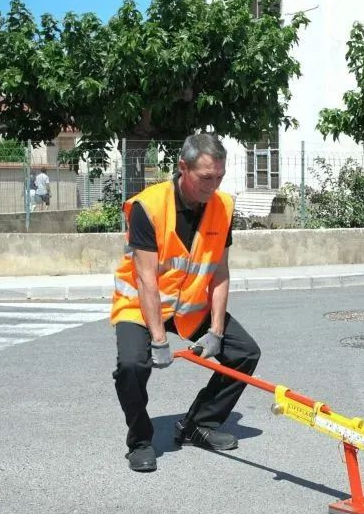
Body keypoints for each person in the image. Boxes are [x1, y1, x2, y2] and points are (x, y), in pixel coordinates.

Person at [111, 133, 261, 472]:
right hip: (140, 306)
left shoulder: (223, 207)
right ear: (183, 168)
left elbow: (219, 272)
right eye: (206, 177)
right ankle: (140, 440)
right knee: (133, 366)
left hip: (189, 306)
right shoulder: (148, 208)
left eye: (220, 176)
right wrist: (159, 341)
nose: (214, 184)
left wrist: (218, 332)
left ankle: (199, 425)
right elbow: (147, 279)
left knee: (244, 353)